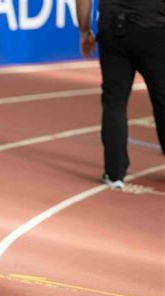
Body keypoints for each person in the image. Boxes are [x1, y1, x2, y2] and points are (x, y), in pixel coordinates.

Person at [76, 0, 165, 189]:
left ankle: (114, 173)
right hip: (152, 27)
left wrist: (84, 31)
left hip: (113, 29)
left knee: (114, 101)